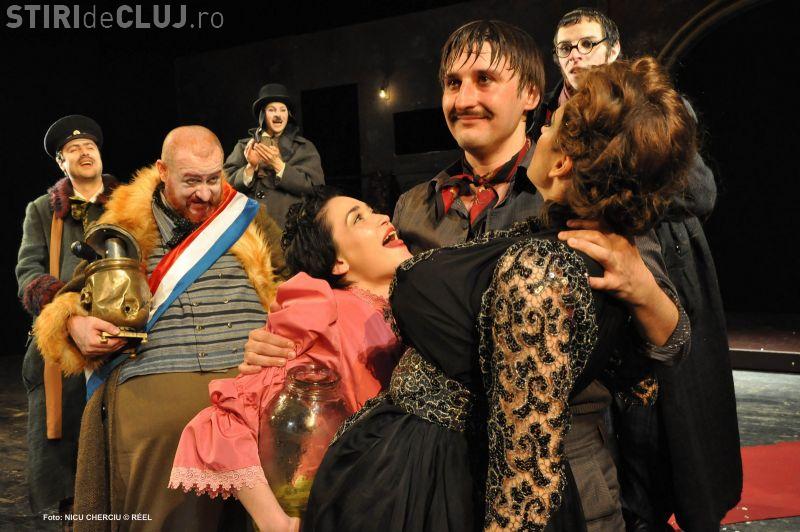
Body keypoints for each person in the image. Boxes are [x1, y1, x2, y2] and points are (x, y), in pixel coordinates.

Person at [303, 57, 695, 531]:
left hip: (468, 488)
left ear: (529, 97)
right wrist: (294, 336)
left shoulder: (566, 259)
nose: (464, 97)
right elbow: (358, 284)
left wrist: (645, 288)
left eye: (484, 80)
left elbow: (526, 481)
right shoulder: (417, 207)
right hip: (414, 481)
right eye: (453, 83)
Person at [540, 9, 741, 530]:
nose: (576, 55)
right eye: (565, 48)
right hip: (588, 284)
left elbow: (702, 192)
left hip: (663, 268)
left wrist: (615, 188)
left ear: (613, 48)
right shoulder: (548, 117)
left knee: (673, 425)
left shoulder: (653, 107)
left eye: (587, 43)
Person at [34, 125, 287, 531]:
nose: (205, 193)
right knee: (158, 436)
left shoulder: (249, 220)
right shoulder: (124, 224)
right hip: (154, 380)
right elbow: (73, 297)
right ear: (163, 171)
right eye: (191, 181)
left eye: (213, 179)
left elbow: (294, 287)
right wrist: (75, 322)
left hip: (251, 376)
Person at [170, 187, 408, 532]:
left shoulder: (406, 303)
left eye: (373, 210)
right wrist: (276, 521)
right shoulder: (322, 311)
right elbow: (229, 420)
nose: (382, 217)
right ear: (338, 261)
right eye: (358, 218)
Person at [16, 115, 118, 519]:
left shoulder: (129, 202)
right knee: (63, 445)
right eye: (73, 149)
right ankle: (70, 516)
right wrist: (67, 314)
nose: (84, 152)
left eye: (89, 146)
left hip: (120, 333)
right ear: (61, 162)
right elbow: (28, 271)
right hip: (63, 339)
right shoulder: (42, 211)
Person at [224, 83, 325, 228]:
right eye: (272, 110)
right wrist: (250, 167)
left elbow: (316, 189)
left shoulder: (303, 148)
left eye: (283, 110)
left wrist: (278, 165)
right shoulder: (244, 147)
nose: (278, 115)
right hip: (250, 229)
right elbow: (223, 187)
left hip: (288, 230)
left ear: (288, 114)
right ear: (263, 114)